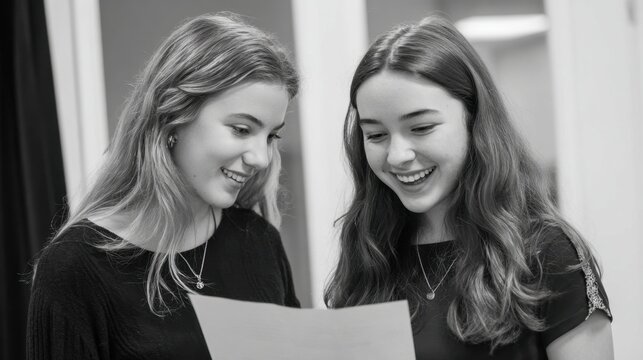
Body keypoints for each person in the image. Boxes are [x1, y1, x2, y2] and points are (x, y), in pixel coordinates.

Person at [325, 15, 613, 359]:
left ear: (474, 120)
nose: (398, 155)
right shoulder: (369, 252)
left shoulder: (546, 253)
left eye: (421, 128)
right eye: (376, 135)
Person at [27, 13, 300, 359]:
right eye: (242, 129)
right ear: (173, 117)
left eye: (271, 135)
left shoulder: (260, 241)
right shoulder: (75, 267)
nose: (261, 158)